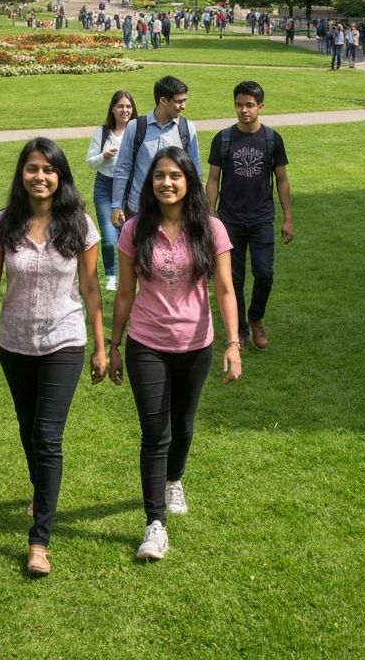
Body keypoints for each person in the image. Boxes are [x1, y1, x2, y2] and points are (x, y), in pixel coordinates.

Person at [109, 146, 242, 562]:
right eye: (159, 176)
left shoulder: (211, 228)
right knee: (154, 433)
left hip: (195, 344)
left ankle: (174, 479)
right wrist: (113, 345)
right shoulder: (134, 230)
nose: (167, 183)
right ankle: (155, 524)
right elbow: (126, 292)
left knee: (182, 425)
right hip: (146, 342)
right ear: (150, 183)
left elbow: (224, 289)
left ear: (189, 181)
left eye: (175, 176)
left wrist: (233, 344)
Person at [0, 138, 106, 578]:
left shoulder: (80, 225)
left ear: (61, 176)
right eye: (32, 168)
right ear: (22, 174)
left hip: (64, 339)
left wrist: (100, 343)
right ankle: (42, 491)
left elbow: (92, 288)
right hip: (14, 342)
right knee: (28, 428)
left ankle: (39, 541)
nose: (40, 177)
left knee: (47, 437)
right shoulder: (2, 224)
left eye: (49, 170)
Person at [205, 80, 293, 352]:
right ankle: (241, 329)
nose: (244, 110)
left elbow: (281, 179)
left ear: (260, 107)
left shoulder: (271, 139)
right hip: (228, 220)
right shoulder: (223, 139)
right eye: (239, 105)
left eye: (249, 105)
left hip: (261, 218)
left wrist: (287, 216)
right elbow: (212, 180)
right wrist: (208, 217)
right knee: (234, 279)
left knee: (264, 274)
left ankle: (256, 318)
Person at [111, 75, 202, 227]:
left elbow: (195, 171)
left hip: (175, 208)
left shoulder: (187, 128)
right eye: (178, 102)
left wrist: (199, 205)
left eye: (184, 100)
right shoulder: (136, 127)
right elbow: (122, 168)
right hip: (139, 207)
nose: (183, 106)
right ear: (163, 101)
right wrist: (116, 205)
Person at [86, 91, 138, 291]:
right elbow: (90, 161)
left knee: (127, 234)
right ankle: (111, 275)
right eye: (120, 106)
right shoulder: (102, 132)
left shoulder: (136, 130)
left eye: (128, 106)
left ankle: (129, 274)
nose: (124, 110)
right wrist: (103, 157)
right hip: (105, 186)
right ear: (113, 109)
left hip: (129, 187)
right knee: (109, 237)